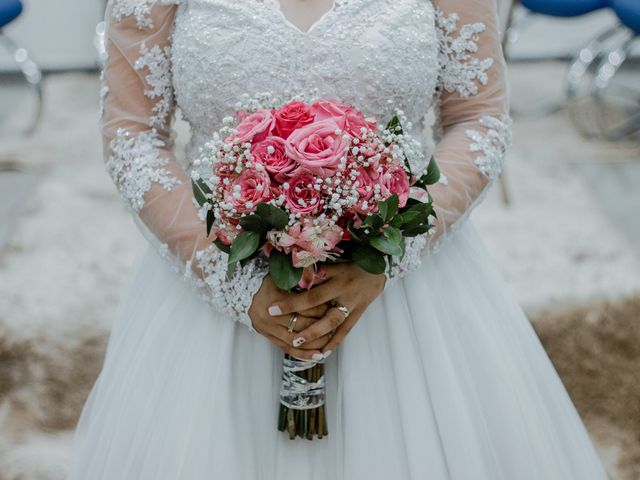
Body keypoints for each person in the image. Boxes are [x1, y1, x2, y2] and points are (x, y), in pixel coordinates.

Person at [68, 0, 609, 478]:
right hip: (215, 284)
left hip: (406, 298)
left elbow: (478, 118)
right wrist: (232, 281)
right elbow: (133, 134)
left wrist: (390, 255)